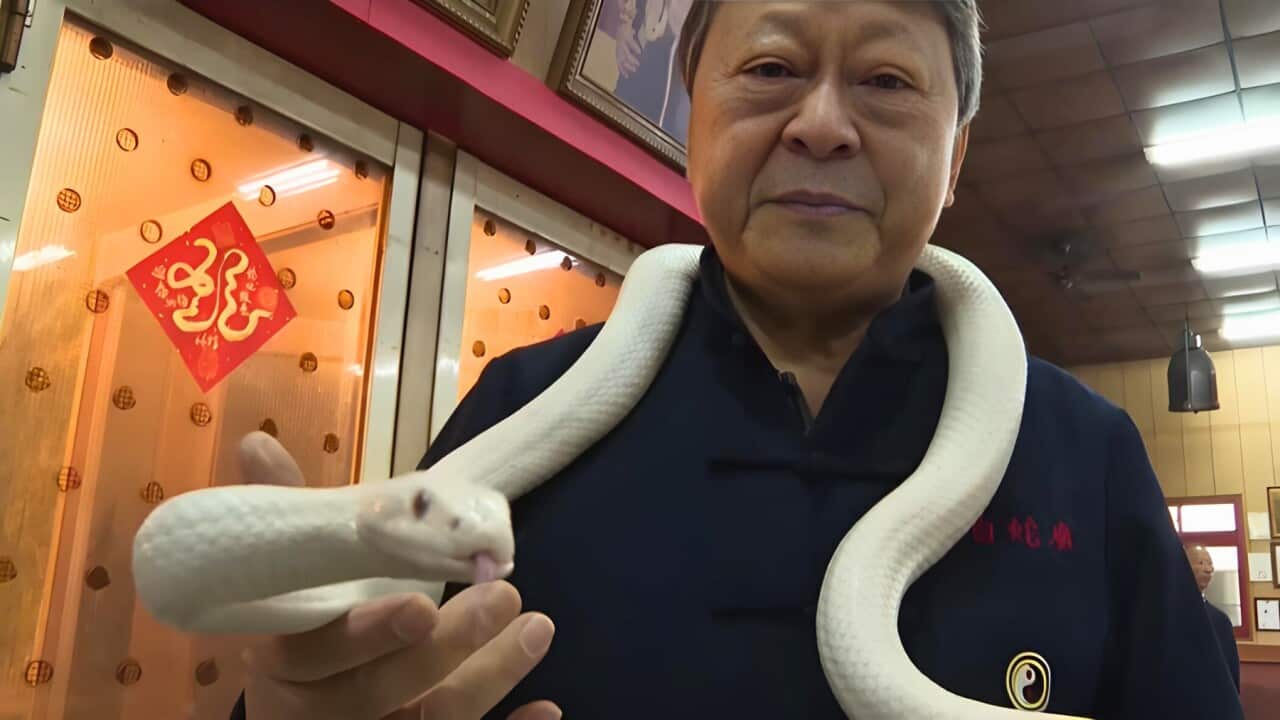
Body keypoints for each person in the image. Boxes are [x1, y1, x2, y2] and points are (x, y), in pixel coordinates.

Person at [230, 3, 1245, 718]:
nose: (820, 124)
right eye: (769, 70)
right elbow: (350, 672)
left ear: (957, 154)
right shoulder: (523, 407)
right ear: (691, 117)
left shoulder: (1079, 446)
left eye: (885, 82)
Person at [1185, 543, 1242, 692]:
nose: (1209, 569)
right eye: (1201, 563)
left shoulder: (1220, 620)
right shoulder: (1168, 613)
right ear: (1183, 567)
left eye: (1210, 563)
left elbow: (1231, 670)